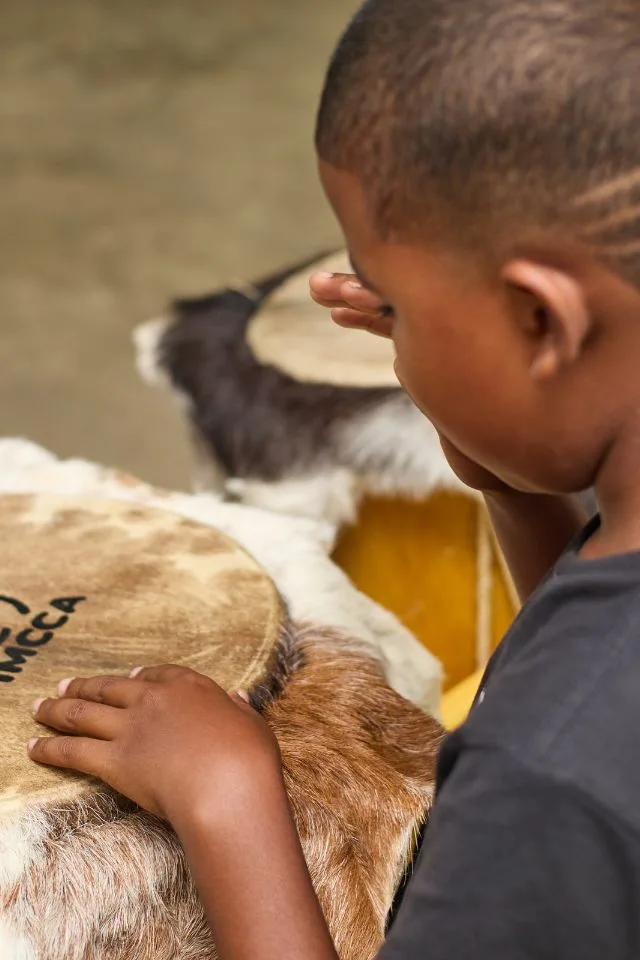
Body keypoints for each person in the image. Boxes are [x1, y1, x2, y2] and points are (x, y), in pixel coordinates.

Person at [27, 0, 640, 956]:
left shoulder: (542, 783)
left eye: (394, 299)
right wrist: (517, 487)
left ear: (542, 324)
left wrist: (228, 804)